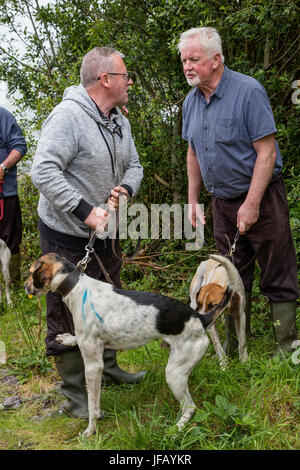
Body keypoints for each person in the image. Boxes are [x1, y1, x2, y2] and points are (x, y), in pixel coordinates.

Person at [31, 46, 146, 420]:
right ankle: (76, 396)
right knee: (65, 313)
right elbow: (42, 171)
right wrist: (86, 211)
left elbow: (136, 165)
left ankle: (109, 370)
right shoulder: (68, 118)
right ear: (105, 79)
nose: (130, 82)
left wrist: (126, 189)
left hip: (106, 235)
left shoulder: (118, 120)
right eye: (125, 75)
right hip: (64, 233)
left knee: (108, 302)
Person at [178, 27, 299, 357]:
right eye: (184, 60)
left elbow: (267, 152)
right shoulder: (190, 102)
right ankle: (236, 351)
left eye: (194, 59)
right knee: (230, 279)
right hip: (222, 204)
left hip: (263, 199)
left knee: (278, 274)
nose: (187, 66)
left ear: (216, 60)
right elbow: (193, 153)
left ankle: (285, 350)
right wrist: (193, 200)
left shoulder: (247, 91)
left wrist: (252, 203)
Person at [0, 106, 27, 283]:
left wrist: (3, 167)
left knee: (10, 239)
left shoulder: (3, 116)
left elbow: (19, 146)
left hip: (4, 194)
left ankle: (12, 285)